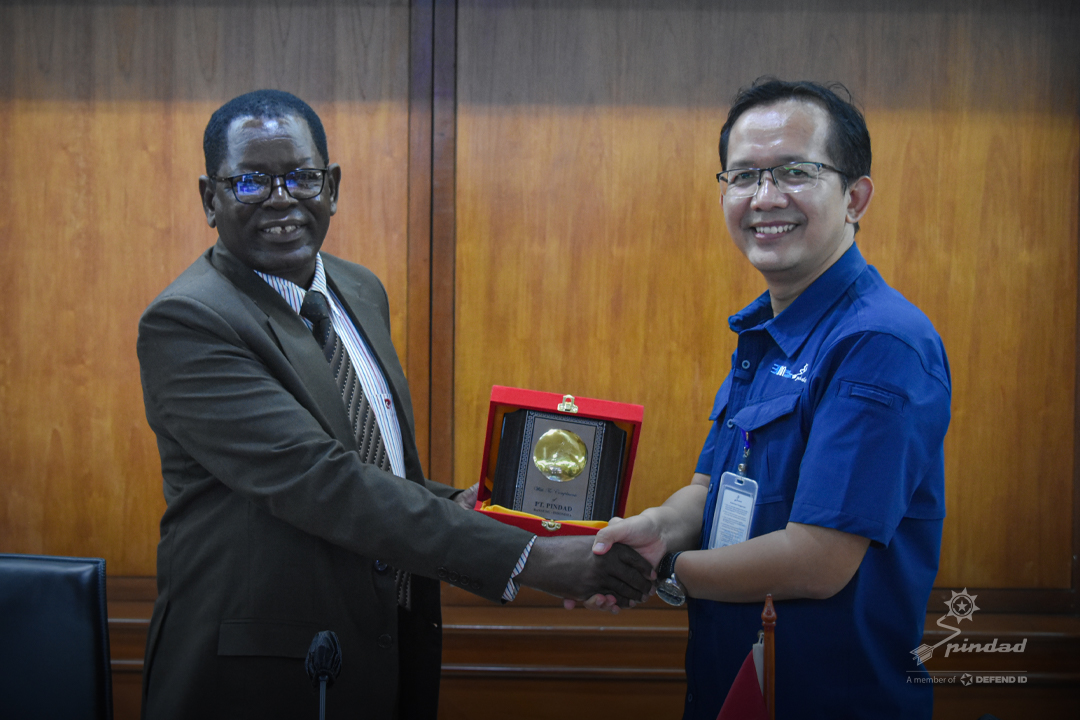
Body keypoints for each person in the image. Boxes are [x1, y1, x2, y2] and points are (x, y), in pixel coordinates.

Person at [136, 89, 652, 720]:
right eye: (250, 181)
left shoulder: (358, 289)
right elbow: (321, 480)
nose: (281, 198)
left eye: (302, 177)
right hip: (259, 674)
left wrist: (463, 506)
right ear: (208, 199)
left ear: (332, 187)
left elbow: (375, 465)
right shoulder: (189, 321)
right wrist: (534, 559)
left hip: (380, 643)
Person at [586, 79, 951, 718]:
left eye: (795, 172)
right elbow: (710, 489)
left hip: (830, 700)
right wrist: (656, 528)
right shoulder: (766, 331)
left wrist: (659, 570)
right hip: (729, 683)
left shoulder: (878, 342)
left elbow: (818, 560)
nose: (765, 197)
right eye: (744, 176)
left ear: (855, 197)